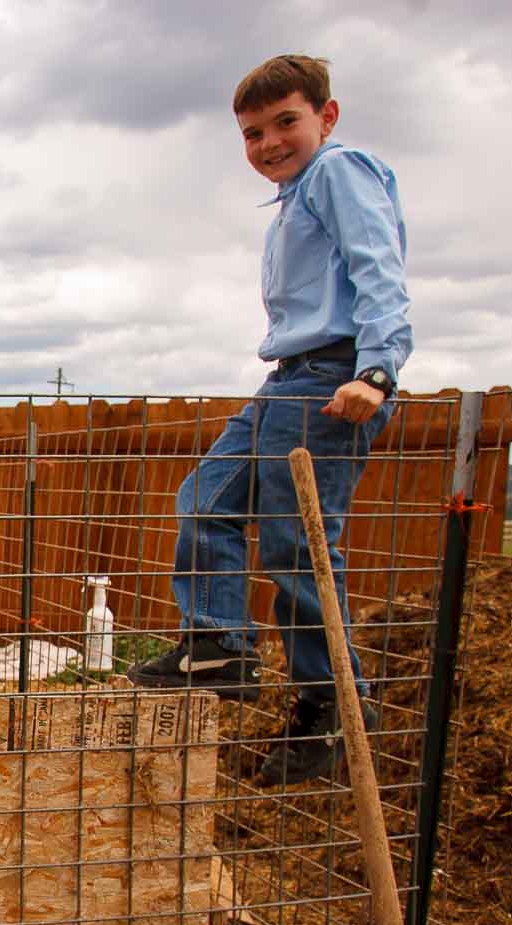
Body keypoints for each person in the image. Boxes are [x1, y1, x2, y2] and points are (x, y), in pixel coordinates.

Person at [130, 53, 409, 786]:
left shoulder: (340, 172)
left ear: (328, 115)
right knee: (206, 499)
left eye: (285, 122)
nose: (268, 144)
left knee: (300, 548)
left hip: (333, 376)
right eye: (252, 133)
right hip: (287, 379)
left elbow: (379, 268)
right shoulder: (296, 194)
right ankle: (220, 646)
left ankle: (332, 709)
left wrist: (376, 371)